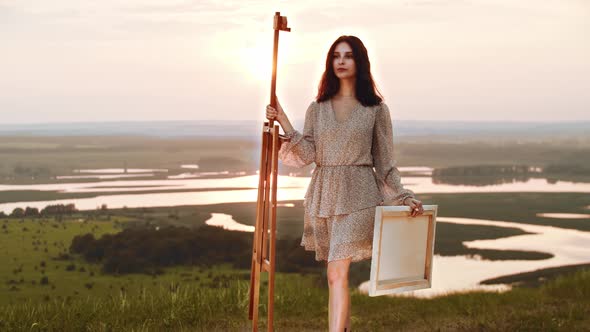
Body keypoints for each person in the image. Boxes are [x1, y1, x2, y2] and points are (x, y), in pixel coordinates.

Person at [266, 35, 424, 332]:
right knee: (334, 276)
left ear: (359, 61)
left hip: (359, 195)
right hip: (323, 196)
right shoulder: (318, 107)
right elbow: (309, 153)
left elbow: (385, 163)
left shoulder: (376, 109)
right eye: (336, 56)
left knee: (337, 272)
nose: (341, 61)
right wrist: (283, 120)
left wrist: (404, 197)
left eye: (348, 56)